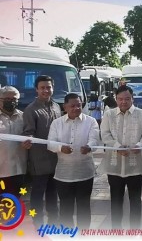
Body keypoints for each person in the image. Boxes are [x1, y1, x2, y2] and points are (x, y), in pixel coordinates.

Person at [99, 85, 142, 229]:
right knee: (116, 201)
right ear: (116, 99)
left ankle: (134, 233)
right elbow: (104, 135)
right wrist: (117, 146)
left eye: (127, 99)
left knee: (135, 201)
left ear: (132, 99)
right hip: (114, 166)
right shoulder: (109, 115)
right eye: (120, 99)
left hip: (135, 166)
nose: (123, 102)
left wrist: (139, 145)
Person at [47, 93, 99, 229]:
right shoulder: (57, 123)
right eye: (72, 106)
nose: (76, 108)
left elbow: (94, 140)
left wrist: (89, 147)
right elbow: (50, 144)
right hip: (64, 175)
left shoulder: (91, 121)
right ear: (65, 107)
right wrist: (60, 148)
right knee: (65, 210)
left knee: (84, 209)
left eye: (79, 105)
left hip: (85, 174)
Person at [23, 75, 61, 227]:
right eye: (42, 88)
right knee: (38, 195)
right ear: (36, 90)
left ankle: (53, 223)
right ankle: (37, 224)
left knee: (53, 194)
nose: (46, 90)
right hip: (39, 162)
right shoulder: (31, 110)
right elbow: (28, 132)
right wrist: (28, 139)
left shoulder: (57, 106)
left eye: (48, 87)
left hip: (56, 160)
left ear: (52, 88)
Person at [0, 86, 31, 198]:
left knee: (14, 202)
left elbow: (29, 135)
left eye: (13, 99)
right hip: (1, 168)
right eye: (7, 99)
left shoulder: (23, 117)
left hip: (18, 169)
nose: (10, 102)